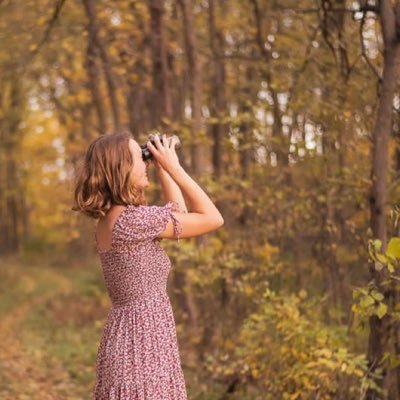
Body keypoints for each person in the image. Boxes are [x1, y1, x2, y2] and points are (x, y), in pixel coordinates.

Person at [72, 131, 224, 399]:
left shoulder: (114, 219)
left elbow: (177, 215)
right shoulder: (133, 222)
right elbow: (212, 218)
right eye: (139, 159)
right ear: (121, 169)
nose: (146, 165)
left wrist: (163, 169)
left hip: (133, 338)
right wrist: (173, 167)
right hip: (142, 345)